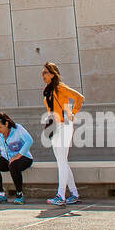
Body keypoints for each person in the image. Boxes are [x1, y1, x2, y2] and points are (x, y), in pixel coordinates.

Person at [40, 62, 84, 207]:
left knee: (61, 161)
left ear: (52, 74)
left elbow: (79, 97)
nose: (43, 75)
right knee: (62, 161)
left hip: (64, 126)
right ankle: (74, 194)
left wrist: (73, 113)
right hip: (54, 126)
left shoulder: (60, 87)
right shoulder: (48, 90)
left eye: (45, 72)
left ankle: (61, 195)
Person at [0, 113, 35, 204]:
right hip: (7, 158)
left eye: (0, 127)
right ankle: (1, 194)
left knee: (13, 164)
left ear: (6, 124)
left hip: (24, 158)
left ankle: (19, 194)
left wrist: (18, 156)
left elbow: (29, 141)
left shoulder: (18, 128)